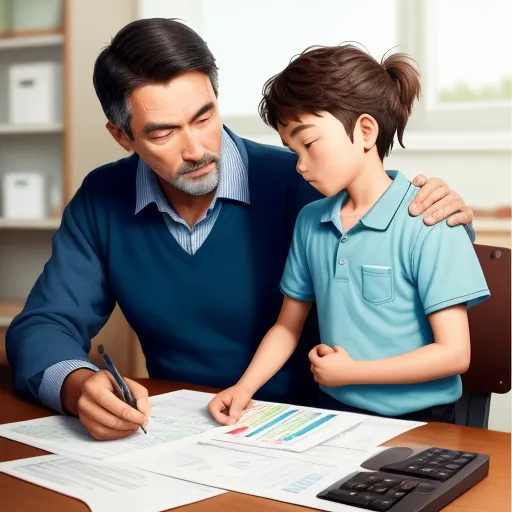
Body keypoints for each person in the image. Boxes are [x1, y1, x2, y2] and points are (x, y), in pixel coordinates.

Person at [7, 19, 476, 441]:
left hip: (317, 426)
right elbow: (43, 325)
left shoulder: (301, 183)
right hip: (180, 430)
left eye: (204, 116)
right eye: (162, 132)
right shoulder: (103, 198)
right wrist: (77, 385)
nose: (195, 150)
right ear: (122, 136)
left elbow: (398, 241)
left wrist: (446, 217)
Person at [208, 44, 489, 425]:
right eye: (293, 151)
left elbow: (454, 354)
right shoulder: (311, 222)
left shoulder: (430, 220)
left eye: (308, 143)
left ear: (365, 130)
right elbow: (287, 327)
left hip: (423, 421)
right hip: (333, 414)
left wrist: (351, 373)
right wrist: (243, 389)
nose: (300, 165)